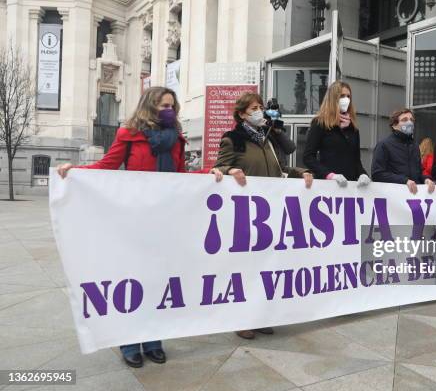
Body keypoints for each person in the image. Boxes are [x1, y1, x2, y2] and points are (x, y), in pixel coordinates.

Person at [56, 86, 223, 368]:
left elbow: (180, 176)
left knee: (159, 279)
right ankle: (130, 341)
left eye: (172, 104)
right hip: (134, 220)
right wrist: (74, 172)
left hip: (166, 219)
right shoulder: (129, 134)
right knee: (133, 281)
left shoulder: (177, 138)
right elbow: (108, 165)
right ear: (149, 105)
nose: (168, 109)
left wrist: (210, 173)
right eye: (162, 104)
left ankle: (154, 339)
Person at [213, 92, 313, 340]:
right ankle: (241, 319)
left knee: (264, 267)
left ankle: (260, 316)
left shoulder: (267, 140)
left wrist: (302, 172)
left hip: (269, 214)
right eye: (254, 108)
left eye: (260, 107)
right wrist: (231, 170)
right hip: (245, 213)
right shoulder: (232, 139)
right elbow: (219, 167)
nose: (260, 111)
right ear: (242, 114)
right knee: (245, 269)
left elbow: (280, 170)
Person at [303, 80, 370, 187]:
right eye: (342, 96)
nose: (346, 99)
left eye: (348, 96)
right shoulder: (320, 123)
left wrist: (363, 174)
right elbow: (308, 157)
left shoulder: (353, 128)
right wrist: (329, 175)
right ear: (333, 99)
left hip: (350, 186)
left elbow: (356, 160)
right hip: (328, 186)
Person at [371, 109, 435, 194]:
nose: (409, 122)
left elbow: (419, 172)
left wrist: (426, 179)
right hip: (394, 198)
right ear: (394, 125)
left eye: (411, 120)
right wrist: (404, 181)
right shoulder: (384, 145)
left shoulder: (415, 146)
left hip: (414, 197)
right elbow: (377, 174)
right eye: (404, 120)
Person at [264, 98, 296, 167]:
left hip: (280, 169)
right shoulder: (260, 130)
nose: (273, 113)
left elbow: (290, 148)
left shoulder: (278, 130)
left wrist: (279, 132)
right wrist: (266, 125)